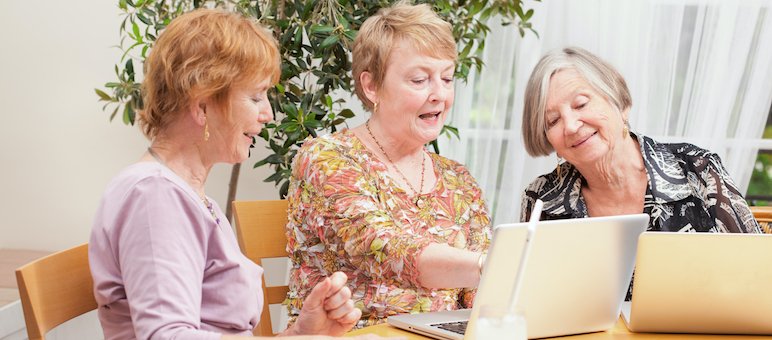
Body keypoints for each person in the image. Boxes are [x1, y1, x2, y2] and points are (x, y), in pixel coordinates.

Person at [89, 9, 376, 339]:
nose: (268, 113)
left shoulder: (186, 196)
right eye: (255, 96)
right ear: (203, 106)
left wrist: (299, 333)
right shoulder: (155, 197)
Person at [284, 2, 492, 328]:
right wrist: (489, 264)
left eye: (447, 78)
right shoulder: (327, 159)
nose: (440, 94)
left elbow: (481, 298)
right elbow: (387, 251)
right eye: (420, 79)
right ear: (371, 86)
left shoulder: (459, 180)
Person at [520, 46, 761, 233]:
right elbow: (526, 292)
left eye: (581, 104)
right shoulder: (542, 198)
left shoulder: (697, 170)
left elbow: (758, 269)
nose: (571, 126)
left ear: (620, 103)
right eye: (553, 121)